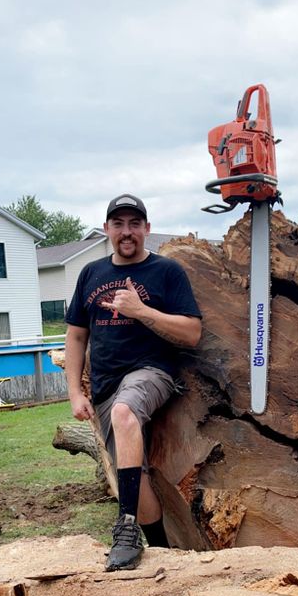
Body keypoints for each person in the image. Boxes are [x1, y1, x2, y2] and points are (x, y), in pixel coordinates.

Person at [65, 193, 202, 572]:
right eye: (119, 224)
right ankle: (161, 554)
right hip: (105, 386)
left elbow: (192, 332)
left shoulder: (167, 272)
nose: (127, 232)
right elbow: (76, 336)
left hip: (151, 372)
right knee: (136, 485)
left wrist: (141, 311)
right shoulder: (91, 274)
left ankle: (124, 529)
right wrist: (75, 392)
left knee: (127, 411)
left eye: (134, 224)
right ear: (107, 229)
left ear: (147, 229)